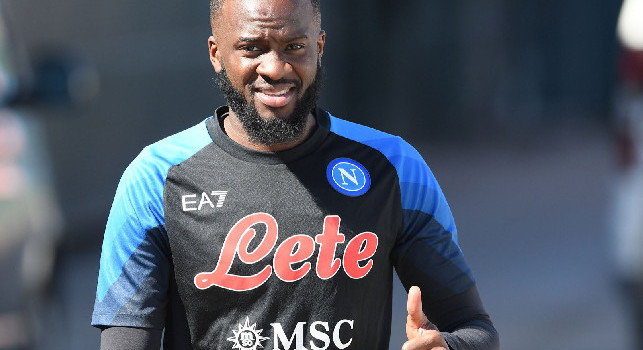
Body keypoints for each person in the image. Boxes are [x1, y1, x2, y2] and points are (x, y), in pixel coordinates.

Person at [91, 0, 499, 349]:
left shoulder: (394, 168)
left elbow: (475, 328)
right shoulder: (155, 179)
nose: (275, 67)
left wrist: (449, 346)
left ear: (320, 47)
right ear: (216, 54)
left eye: (294, 46)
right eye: (251, 48)